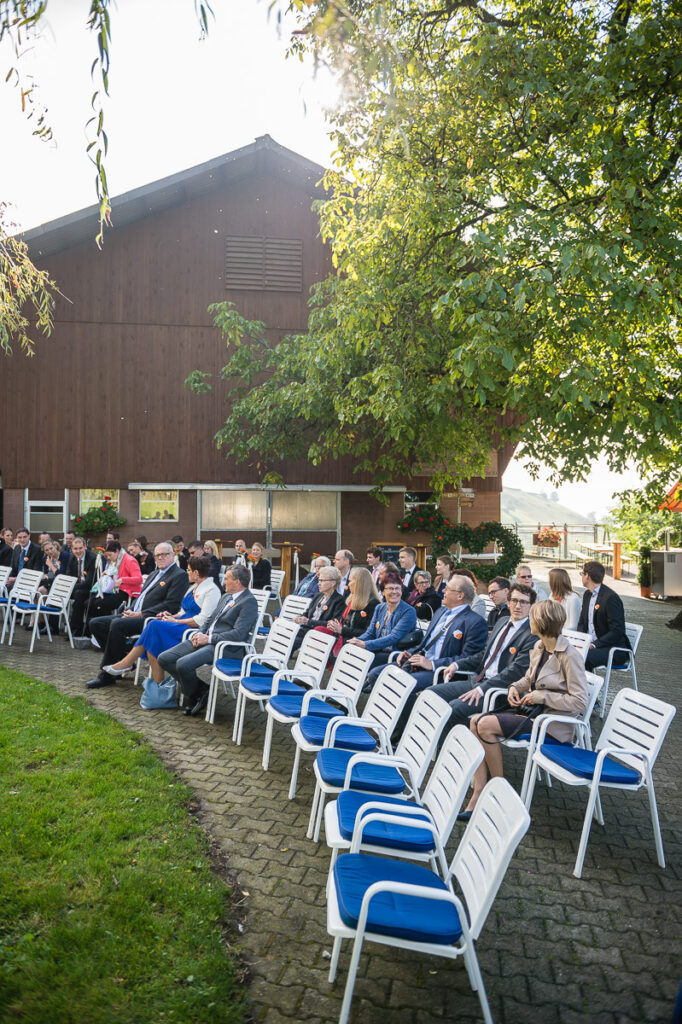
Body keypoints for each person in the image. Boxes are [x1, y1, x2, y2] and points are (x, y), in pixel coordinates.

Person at [463, 600, 589, 818]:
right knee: (474, 721)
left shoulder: (570, 656)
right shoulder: (540, 646)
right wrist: (514, 687)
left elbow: (580, 702)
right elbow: (529, 678)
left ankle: (499, 791)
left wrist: (542, 696)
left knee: (484, 725)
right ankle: (481, 789)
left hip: (551, 724)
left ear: (541, 622)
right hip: (531, 713)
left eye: (532, 618)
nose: (529, 621)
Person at [421, 583, 538, 734]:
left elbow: (516, 671)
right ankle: (430, 740)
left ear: (531, 606)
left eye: (524, 602)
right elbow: (484, 655)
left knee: (454, 708)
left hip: (498, 691)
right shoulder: (502, 622)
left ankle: (454, 746)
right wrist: (457, 665)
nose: (518, 606)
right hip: (477, 681)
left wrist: (482, 689)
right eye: (514, 600)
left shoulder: (532, 634)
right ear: (508, 602)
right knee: (430, 694)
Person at [158, 564, 258, 716]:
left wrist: (208, 638)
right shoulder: (226, 596)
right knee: (164, 658)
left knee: (183, 664)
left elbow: (238, 634)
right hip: (207, 640)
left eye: (227, 579)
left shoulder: (248, 602)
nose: (223, 582)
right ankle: (201, 691)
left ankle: (194, 695)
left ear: (237, 582)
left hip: (226, 647)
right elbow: (210, 619)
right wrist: (200, 634)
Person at [84, 542, 188, 689]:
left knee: (117, 625)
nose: (160, 558)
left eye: (164, 554)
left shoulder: (179, 575)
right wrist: (130, 610)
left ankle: (107, 675)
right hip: (135, 613)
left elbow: (171, 605)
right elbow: (141, 597)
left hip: (151, 619)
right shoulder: (154, 574)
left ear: (172, 555)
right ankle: (124, 660)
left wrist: (141, 613)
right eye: (157, 555)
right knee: (96, 623)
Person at [102, 555, 221, 683]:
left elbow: (202, 621)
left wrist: (175, 621)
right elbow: (183, 612)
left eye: (188, 570)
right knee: (154, 632)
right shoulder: (194, 587)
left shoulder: (211, 590)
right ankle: (153, 680)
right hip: (181, 624)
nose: (187, 572)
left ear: (196, 573)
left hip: (191, 630)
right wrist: (170, 616)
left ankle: (128, 664)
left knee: (153, 627)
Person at [373, 575, 488, 706]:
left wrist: (432, 664)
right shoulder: (441, 611)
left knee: (400, 683)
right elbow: (425, 644)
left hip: (441, 671)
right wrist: (409, 653)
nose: (443, 591)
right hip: (420, 663)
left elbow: (468, 658)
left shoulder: (475, 622)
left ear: (460, 595)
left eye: (447, 589)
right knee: (376, 674)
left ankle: (411, 718)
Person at [348, 573, 417, 666]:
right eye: (390, 588)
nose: (394, 592)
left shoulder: (408, 611)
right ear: (383, 592)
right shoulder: (380, 608)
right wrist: (356, 640)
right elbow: (370, 633)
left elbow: (394, 637)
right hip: (378, 650)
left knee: (362, 661)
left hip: (395, 654)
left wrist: (365, 644)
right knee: (350, 653)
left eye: (397, 588)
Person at [577, 561, 630, 670]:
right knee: (565, 652)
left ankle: (585, 682)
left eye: (582, 573)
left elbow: (617, 631)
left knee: (582, 657)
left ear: (587, 576)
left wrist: (594, 644)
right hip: (592, 645)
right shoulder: (587, 595)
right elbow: (582, 623)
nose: (581, 576)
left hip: (614, 649)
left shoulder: (610, 598)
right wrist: (580, 641)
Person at [322, 566, 381, 655]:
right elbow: (344, 623)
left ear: (359, 583)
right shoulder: (351, 600)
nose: (348, 584)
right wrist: (334, 625)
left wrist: (342, 630)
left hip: (357, 644)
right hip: (344, 638)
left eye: (350, 581)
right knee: (319, 631)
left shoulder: (373, 604)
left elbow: (368, 633)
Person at [85, 541, 143, 626]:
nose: (108, 558)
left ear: (117, 551)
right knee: (89, 603)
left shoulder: (130, 560)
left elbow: (139, 579)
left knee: (99, 604)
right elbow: (114, 573)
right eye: (107, 556)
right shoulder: (115, 560)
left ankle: (103, 626)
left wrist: (122, 580)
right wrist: (107, 573)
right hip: (115, 590)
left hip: (127, 593)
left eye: (110, 555)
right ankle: (93, 629)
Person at [291, 565, 346, 648]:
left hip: (320, 635)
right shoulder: (318, 596)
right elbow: (307, 613)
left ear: (333, 583)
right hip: (306, 630)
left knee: (290, 641)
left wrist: (308, 621)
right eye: (319, 580)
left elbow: (332, 625)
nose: (318, 583)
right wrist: (299, 617)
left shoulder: (339, 600)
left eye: (322, 580)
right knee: (284, 633)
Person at [65, 536, 98, 638]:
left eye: (80, 548)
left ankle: (75, 629)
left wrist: (71, 587)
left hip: (91, 589)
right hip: (77, 587)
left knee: (78, 595)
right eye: (75, 549)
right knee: (58, 592)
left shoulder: (92, 558)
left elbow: (89, 582)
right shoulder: (72, 558)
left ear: (85, 547)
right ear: (72, 549)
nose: (78, 551)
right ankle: (52, 627)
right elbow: (69, 576)